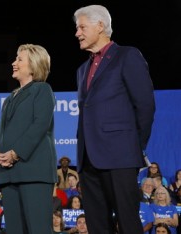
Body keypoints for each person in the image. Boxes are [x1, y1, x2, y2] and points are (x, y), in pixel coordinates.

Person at [73, 4, 155, 234]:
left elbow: (145, 105)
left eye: (81, 27)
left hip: (121, 157)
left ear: (100, 26)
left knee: (128, 223)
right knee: (97, 226)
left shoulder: (127, 56)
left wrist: (134, 147)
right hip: (88, 160)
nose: (77, 33)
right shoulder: (81, 70)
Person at [0, 43, 57, 234]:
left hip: (34, 172)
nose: (14, 63)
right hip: (9, 174)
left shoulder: (42, 90)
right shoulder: (10, 97)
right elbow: (1, 131)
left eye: (19, 59)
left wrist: (15, 153)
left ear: (34, 65)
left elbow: (40, 125)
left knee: (38, 229)